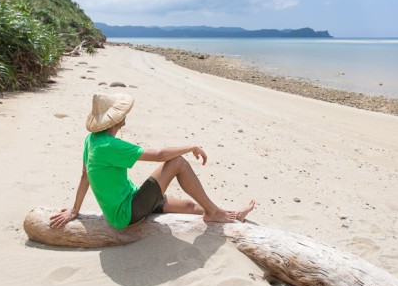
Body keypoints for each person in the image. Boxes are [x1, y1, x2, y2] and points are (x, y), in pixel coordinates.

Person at [49, 93, 255, 230]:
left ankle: (233, 215)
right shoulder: (110, 146)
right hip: (127, 214)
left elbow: (85, 175)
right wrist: (191, 146)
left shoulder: (92, 140)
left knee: (190, 206)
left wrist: (75, 209)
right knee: (178, 163)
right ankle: (213, 212)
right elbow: (159, 155)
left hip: (131, 200)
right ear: (117, 119)